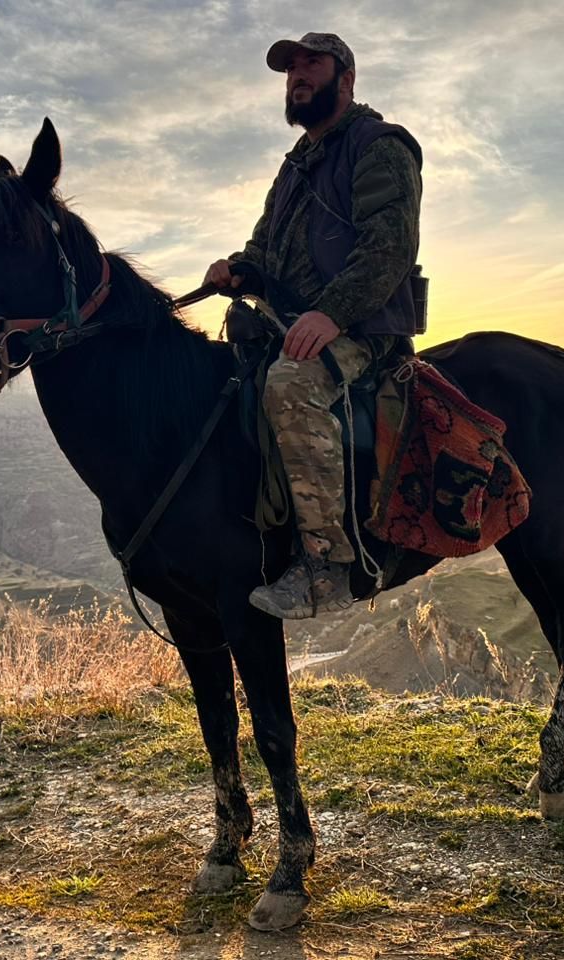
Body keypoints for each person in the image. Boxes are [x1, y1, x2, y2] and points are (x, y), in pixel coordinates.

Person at [203, 32, 424, 620]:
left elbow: (389, 248)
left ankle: (326, 565)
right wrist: (238, 269)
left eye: (311, 64)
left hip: (363, 328)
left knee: (291, 385)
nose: (297, 75)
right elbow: (264, 249)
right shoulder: (295, 166)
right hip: (293, 322)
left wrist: (333, 313)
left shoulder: (380, 146)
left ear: (345, 79)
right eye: (290, 68)